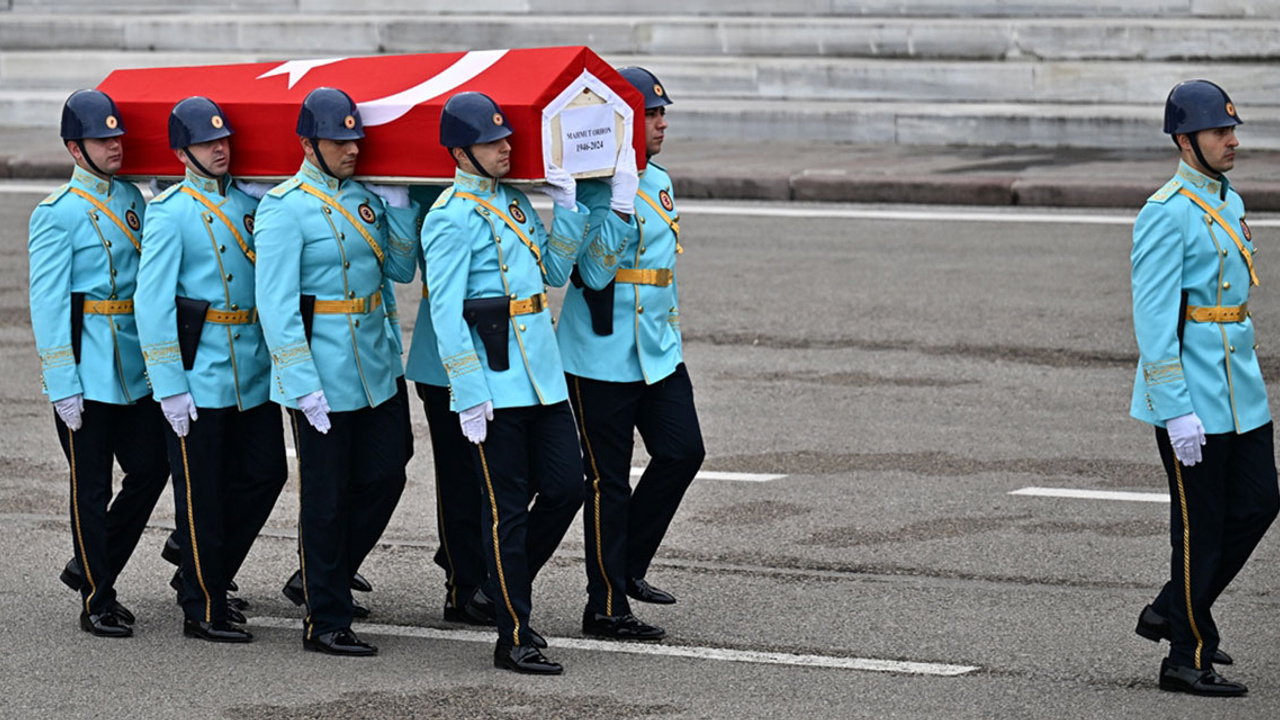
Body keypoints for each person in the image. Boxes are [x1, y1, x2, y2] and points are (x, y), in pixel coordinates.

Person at [422, 91, 590, 674]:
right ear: (462, 151)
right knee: (507, 509)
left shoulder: (515, 203)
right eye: (494, 142)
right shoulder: (448, 216)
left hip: (541, 377)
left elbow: (552, 273)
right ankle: (513, 635)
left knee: (569, 486)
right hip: (492, 384)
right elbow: (445, 312)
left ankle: (497, 583)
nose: (507, 148)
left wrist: (567, 211)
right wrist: (467, 389)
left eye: (506, 138)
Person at [254, 87, 419, 656]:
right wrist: (300, 382)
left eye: (356, 139)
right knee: (324, 496)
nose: (352, 149)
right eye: (339, 140)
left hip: (375, 364)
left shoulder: (365, 198)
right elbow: (274, 304)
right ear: (308, 143)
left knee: (388, 472)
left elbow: (399, 271)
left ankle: (321, 573)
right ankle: (325, 620)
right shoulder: (284, 206)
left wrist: (399, 209)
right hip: (321, 373)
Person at [1129, 79, 1278, 697]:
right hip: (1191, 397)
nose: (1231, 141)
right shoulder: (1165, 214)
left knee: (1260, 502)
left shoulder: (1227, 200)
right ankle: (1184, 657)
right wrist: (1176, 408)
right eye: (1220, 132)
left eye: (1232, 130)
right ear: (1186, 141)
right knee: (1199, 527)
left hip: (1241, 391)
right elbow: (1154, 320)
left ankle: (1171, 609)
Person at [134, 96, 288, 643]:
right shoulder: (169, 213)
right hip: (198, 373)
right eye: (206, 142)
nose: (220, 149)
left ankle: (203, 568)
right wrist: (169, 386)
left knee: (269, 473)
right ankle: (203, 606)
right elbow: (151, 305)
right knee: (200, 491)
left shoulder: (250, 207)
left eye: (223, 140)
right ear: (182, 151)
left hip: (251, 371)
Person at [557, 67, 704, 640]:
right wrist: (614, 204)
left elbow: (663, 273)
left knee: (682, 452)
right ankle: (606, 607)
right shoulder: (592, 185)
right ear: (621, 121)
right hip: (600, 354)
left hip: (657, 350)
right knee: (607, 482)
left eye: (663, 113)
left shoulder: (660, 179)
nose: (662, 124)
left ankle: (627, 566)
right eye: (650, 114)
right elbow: (591, 273)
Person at [29, 89, 170, 637]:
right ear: (74, 147)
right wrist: (62, 381)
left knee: (152, 468)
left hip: (133, 368)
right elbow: (46, 305)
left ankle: (89, 562)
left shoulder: (134, 199)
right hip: (86, 372)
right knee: (90, 486)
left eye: (118, 137)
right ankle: (97, 598)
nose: (115, 146)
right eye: (102, 139)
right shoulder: (56, 215)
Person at [403, 184, 497, 629]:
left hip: (503, 357)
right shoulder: (436, 201)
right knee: (461, 480)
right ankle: (463, 585)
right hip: (444, 359)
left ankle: (470, 561)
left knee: (507, 476)